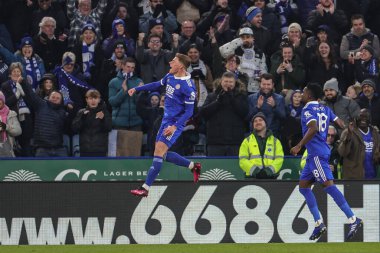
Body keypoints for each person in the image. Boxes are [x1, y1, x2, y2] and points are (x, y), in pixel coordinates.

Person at [290, 83, 363, 241]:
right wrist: (349, 128)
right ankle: (318, 223)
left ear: (309, 95)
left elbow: (313, 128)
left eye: (303, 91)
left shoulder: (307, 110)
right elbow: (340, 123)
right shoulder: (325, 109)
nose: (301, 94)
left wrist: (299, 145)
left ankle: (353, 219)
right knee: (303, 187)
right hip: (315, 155)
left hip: (316, 153)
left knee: (328, 185)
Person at [128, 53, 201, 197]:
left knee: (158, 153)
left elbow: (189, 112)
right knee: (163, 154)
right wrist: (137, 89)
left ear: (180, 65)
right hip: (166, 120)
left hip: (175, 123)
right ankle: (193, 166)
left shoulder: (188, 87)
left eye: (173, 61)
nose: (170, 62)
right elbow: (157, 84)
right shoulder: (170, 76)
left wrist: (174, 127)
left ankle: (145, 188)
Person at [199, 71, 249, 156]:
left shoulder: (241, 96)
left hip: (235, 142)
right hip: (215, 143)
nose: (228, 84)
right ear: (221, 82)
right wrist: (217, 102)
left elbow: (245, 113)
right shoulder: (212, 96)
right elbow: (203, 113)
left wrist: (232, 99)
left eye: (230, 82)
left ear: (235, 83)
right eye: (226, 81)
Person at [239, 112, 284, 178]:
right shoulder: (246, 141)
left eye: (260, 120)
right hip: (252, 178)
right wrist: (256, 171)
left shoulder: (275, 141)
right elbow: (242, 160)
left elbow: (279, 159)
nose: (258, 122)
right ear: (253, 125)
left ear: (266, 123)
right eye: (255, 121)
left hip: (271, 178)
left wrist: (269, 171)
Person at [338, 109, 380, 179]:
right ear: (356, 118)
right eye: (361, 116)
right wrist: (348, 137)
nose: (363, 119)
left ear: (370, 119)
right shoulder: (348, 132)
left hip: (373, 177)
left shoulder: (375, 133)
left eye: (366, 117)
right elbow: (342, 153)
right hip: (354, 178)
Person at [72, 89, 112, 157]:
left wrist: (102, 119)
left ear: (99, 100)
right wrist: (82, 118)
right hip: (85, 150)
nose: (93, 100)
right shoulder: (81, 112)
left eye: (95, 98)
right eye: (90, 98)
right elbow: (74, 129)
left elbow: (108, 128)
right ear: (87, 100)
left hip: (100, 150)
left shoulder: (104, 112)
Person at [0, 91, 22, 157]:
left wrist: (6, 127)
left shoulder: (11, 113)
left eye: (0, 99)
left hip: (7, 149)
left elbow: (18, 131)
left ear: (3, 101)